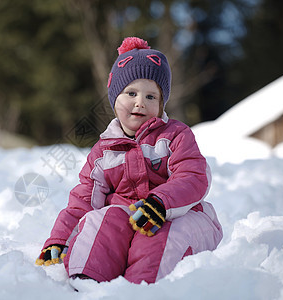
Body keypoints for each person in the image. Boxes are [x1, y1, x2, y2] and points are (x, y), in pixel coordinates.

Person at [35, 37, 223, 284]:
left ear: (161, 103)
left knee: (159, 235)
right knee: (102, 220)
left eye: (151, 97)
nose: (140, 102)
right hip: (127, 221)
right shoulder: (103, 153)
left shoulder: (175, 136)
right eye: (131, 93)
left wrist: (161, 202)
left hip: (178, 215)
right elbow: (82, 201)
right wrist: (59, 239)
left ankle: (141, 289)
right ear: (114, 99)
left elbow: (193, 175)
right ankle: (87, 283)